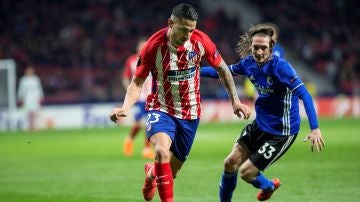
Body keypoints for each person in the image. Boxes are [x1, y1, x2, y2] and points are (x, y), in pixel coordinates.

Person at [110, 3, 251, 202]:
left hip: (190, 114)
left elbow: (223, 69)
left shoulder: (201, 41)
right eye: (184, 29)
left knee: (171, 172)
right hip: (161, 108)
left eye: (192, 29)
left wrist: (235, 101)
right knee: (160, 151)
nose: (188, 34)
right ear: (171, 23)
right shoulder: (153, 46)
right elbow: (137, 83)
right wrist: (125, 107)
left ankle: (151, 173)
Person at [201, 23, 325, 201]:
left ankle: (268, 186)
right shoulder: (248, 63)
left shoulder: (281, 67)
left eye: (264, 48)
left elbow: (304, 95)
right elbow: (223, 71)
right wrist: (192, 71)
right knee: (230, 163)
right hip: (260, 125)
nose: (259, 52)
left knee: (245, 172)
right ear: (250, 46)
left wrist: (315, 128)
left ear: (271, 48)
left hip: (281, 131)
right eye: (256, 47)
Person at [121, 37, 154, 160]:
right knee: (139, 124)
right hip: (139, 98)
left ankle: (146, 149)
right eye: (141, 46)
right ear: (137, 48)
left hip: (152, 97)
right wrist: (129, 92)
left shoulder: (153, 59)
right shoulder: (131, 60)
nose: (143, 48)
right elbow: (125, 77)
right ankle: (130, 139)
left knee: (149, 123)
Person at [17, 66, 44, 131]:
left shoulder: (36, 79)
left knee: (35, 112)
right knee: (28, 112)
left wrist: (41, 96)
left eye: (31, 71)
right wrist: (20, 97)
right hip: (27, 98)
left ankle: (34, 126)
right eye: (28, 71)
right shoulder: (23, 80)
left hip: (35, 97)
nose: (29, 72)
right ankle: (29, 126)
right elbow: (21, 89)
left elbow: (39, 88)